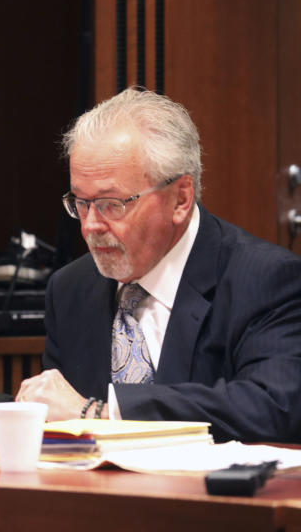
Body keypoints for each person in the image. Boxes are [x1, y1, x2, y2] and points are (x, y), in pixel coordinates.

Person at [16, 86, 301, 442]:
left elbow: (275, 406)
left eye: (111, 204)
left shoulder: (263, 279)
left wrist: (106, 413)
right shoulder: (70, 289)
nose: (90, 225)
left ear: (180, 198)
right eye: (81, 203)